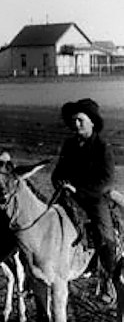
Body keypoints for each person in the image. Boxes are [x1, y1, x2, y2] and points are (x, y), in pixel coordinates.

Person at [52, 98, 117, 283]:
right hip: (68, 195)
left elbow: (106, 180)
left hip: (93, 197)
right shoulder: (69, 145)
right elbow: (57, 173)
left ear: (92, 122)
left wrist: (78, 189)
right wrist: (61, 183)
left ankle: (109, 276)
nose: (76, 123)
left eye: (80, 120)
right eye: (74, 120)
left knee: (105, 234)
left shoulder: (102, 147)